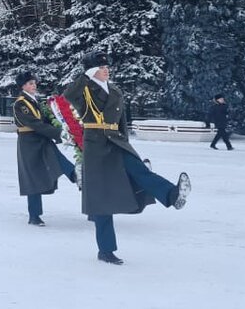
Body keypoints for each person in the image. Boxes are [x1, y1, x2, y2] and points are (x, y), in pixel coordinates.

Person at [63, 52, 191, 265]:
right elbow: (68, 95)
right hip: (96, 145)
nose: (106, 69)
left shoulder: (115, 90)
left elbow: (122, 120)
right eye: (101, 67)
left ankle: (172, 195)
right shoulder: (84, 89)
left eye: (106, 66)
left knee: (140, 171)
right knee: (101, 199)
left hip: (116, 141)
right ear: (92, 71)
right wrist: (86, 75)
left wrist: (126, 141)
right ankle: (106, 250)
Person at [12, 71, 77, 226]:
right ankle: (34, 215)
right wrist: (59, 133)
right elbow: (35, 124)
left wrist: (64, 125)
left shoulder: (35, 101)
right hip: (29, 142)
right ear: (22, 87)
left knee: (58, 159)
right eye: (29, 83)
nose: (33, 86)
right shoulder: (21, 103)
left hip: (41, 139)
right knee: (33, 177)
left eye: (34, 83)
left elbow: (46, 119)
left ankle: (76, 175)